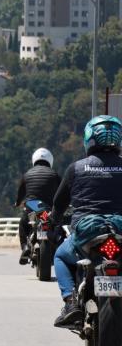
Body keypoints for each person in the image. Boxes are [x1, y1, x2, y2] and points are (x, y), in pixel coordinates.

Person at [51, 115, 122, 328]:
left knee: (61, 256)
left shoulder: (76, 168)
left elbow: (59, 203)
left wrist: (55, 220)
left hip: (88, 234)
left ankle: (71, 303)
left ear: (89, 139)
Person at [15, 148, 61, 265]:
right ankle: (57, 249)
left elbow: (20, 194)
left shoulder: (27, 174)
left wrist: (17, 203)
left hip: (32, 207)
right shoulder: (54, 174)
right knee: (58, 227)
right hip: (47, 210)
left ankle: (25, 247)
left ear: (34, 159)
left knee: (23, 224)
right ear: (50, 160)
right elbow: (62, 193)